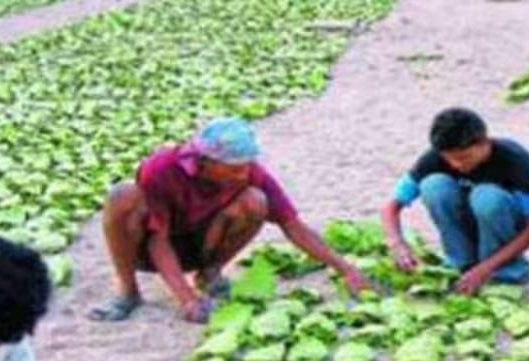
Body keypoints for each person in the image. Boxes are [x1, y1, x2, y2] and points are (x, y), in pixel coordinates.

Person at [89, 117, 370, 324]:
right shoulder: (162, 169)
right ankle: (127, 291)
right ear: (205, 162)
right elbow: (157, 240)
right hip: (145, 247)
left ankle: (210, 273)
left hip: (202, 243)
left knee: (255, 200)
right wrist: (185, 298)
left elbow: (293, 226)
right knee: (122, 196)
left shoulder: (249, 173)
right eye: (234, 168)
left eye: (247, 164)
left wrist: (345, 268)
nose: (243, 172)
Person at [381, 108, 529, 295]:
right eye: (449, 159)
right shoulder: (434, 158)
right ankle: (461, 263)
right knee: (433, 186)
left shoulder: (516, 159)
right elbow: (390, 207)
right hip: (466, 220)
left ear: (484, 142)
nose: (457, 165)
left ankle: (504, 271)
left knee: (487, 197)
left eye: (463, 158)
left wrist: (486, 268)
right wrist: (397, 244)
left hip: (504, 227)